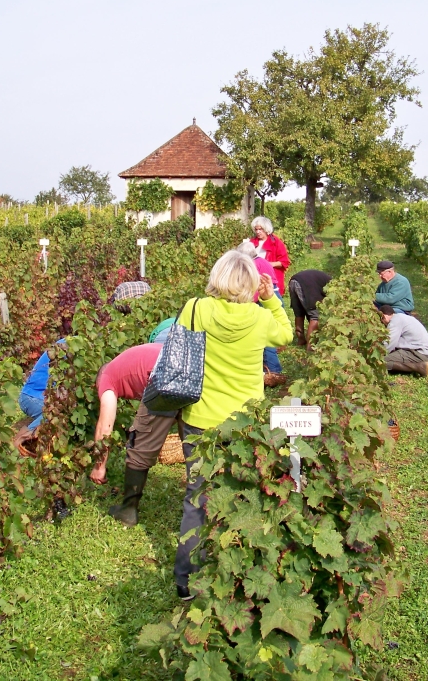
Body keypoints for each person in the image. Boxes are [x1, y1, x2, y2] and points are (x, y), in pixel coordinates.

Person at [172, 250, 294, 600]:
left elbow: (179, 341)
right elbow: (285, 335)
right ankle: (234, 573)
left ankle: (185, 581)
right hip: (243, 423)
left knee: (197, 497)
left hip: (198, 418)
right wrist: (270, 300)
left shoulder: (195, 308)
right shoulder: (258, 318)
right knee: (241, 493)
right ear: (253, 285)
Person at [89, 343, 174, 527]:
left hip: (164, 375)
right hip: (189, 372)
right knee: (195, 445)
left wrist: (99, 466)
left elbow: (105, 426)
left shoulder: (107, 376)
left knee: (139, 445)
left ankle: (128, 511)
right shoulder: (126, 362)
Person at [237, 239, 284, 384]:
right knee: (268, 333)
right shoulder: (262, 261)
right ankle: (269, 368)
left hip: (266, 297)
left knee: (265, 335)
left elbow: (258, 287)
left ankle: (273, 370)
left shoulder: (253, 265)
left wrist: (249, 303)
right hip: (273, 294)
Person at [18, 339, 67, 429]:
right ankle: (21, 439)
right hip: (31, 397)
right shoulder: (68, 347)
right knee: (54, 416)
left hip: (43, 398)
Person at [378, 303, 428, 376]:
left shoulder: (395, 321)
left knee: (380, 361)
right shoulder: (403, 317)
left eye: (382, 321)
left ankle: (419, 367)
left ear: (384, 316)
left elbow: (388, 345)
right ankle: (417, 365)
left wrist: (376, 353)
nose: (383, 324)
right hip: (424, 352)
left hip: (418, 353)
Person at [288, 269, 332, 350]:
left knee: (299, 313)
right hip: (307, 284)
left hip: (294, 281)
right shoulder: (334, 287)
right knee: (315, 315)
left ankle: (301, 340)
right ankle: (310, 347)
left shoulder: (323, 279)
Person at [249, 216, 291, 295]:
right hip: (255, 278)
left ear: (266, 229)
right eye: (256, 229)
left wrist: (267, 264)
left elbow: (284, 262)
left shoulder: (276, 242)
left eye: (260, 229)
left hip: (272, 279)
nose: (258, 232)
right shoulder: (251, 242)